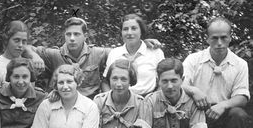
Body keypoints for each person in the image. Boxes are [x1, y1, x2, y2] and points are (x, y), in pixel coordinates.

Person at [25, 17, 160, 99]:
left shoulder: (98, 53)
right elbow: (25, 47)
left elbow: (124, 51)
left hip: (90, 108)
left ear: (85, 36)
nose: (72, 38)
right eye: (69, 34)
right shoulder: (53, 54)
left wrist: (142, 42)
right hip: (61, 103)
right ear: (64, 35)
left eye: (77, 34)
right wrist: (34, 55)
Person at [182, 17, 250, 128]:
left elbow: (242, 97)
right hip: (196, 115)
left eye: (224, 37)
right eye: (215, 38)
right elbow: (180, 84)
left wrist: (223, 105)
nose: (219, 42)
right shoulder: (194, 60)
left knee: (238, 114)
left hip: (221, 118)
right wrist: (194, 91)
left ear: (230, 38)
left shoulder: (240, 64)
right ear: (207, 38)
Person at [101, 14, 164, 97]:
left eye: (134, 28)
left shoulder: (155, 52)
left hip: (148, 100)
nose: (129, 33)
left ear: (141, 31)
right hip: (119, 100)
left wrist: (154, 100)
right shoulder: (115, 53)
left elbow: (163, 80)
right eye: (125, 29)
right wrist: (110, 100)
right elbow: (105, 82)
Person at [0, 20, 29, 88]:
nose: (20, 45)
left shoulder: (28, 63)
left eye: (24, 41)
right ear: (7, 40)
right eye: (17, 40)